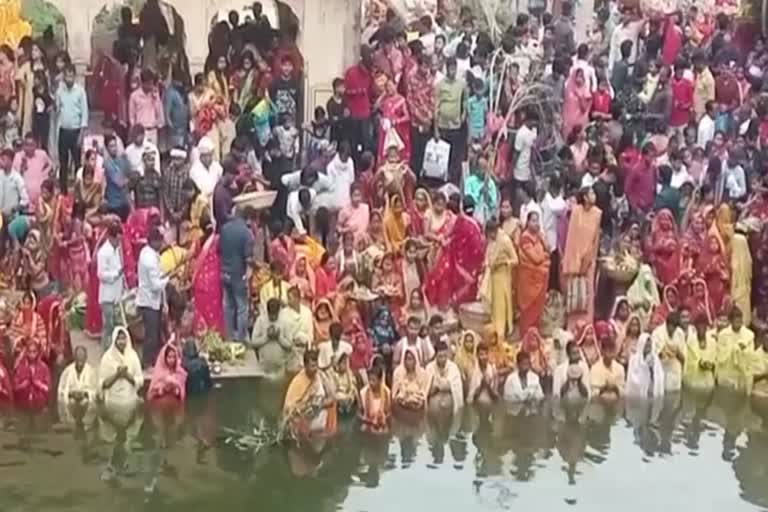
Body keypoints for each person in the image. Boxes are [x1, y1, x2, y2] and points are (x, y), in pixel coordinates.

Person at [562, 188, 601, 330]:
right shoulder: (576, 212)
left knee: (587, 294)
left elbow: (595, 240)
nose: (594, 196)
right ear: (584, 197)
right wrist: (574, 262)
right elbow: (571, 238)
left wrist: (589, 259)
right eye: (591, 193)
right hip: (574, 260)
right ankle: (572, 328)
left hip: (589, 261)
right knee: (574, 294)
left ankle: (587, 328)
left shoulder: (597, 214)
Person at [219, 206, 257, 342]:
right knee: (241, 307)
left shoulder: (224, 229)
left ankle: (229, 336)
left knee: (227, 304)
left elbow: (219, 250)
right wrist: (253, 268)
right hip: (238, 273)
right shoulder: (246, 233)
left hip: (224, 271)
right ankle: (240, 338)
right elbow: (248, 258)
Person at [283, 350, 337, 439]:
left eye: (316, 365)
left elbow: (332, 397)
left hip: (320, 418)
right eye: (312, 366)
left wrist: (320, 405)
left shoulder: (320, 376)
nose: (315, 369)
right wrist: (308, 405)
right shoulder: (298, 382)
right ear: (305, 366)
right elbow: (289, 409)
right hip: (303, 420)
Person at [136, 227, 169, 367]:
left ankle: (154, 360)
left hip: (150, 299)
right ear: (154, 242)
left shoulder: (147, 252)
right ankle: (146, 362)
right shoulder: (149, 259)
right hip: (149, 301)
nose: (162, 245)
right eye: (160, 242)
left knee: (154, 333)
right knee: (151, 335)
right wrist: (167, 279)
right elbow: (156, 285)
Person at [55, 65, 88, 193]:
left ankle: (79, 191)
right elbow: (57, 108)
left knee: (77, 163)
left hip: (76, 131)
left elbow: (84, 113)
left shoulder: (80, 91)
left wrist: (81, 134)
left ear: (74, 76)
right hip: (63, 130)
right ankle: (63, 192)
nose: (69, 79)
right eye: (66, 76)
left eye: (71, 76)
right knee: (63, 162)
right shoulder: (60, 91)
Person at [517, 211, 550, 333]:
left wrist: (542, 238)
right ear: (528, 222)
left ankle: (535, 335)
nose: (536, 224)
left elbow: (548, 249)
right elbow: (536, 258)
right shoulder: (525, 238)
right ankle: (526, 334)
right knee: (529, 308)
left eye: (537, 221)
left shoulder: (538, 236)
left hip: (540, 278)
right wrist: (544, 256)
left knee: (538, 308)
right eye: (533, 221)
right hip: (529, 279)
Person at [434, 57, 465, 184]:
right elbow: (436, 107)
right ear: (446, 68)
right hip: (443, 126)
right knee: (443, 157)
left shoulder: (461, 84)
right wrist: (435, 129)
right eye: (450, 68)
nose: (452, 71)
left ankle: (452, 182)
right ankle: (441, 181)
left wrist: (464, 112)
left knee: (455, 156)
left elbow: (465, 99)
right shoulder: (440, 85)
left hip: (456, 126)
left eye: (454, 68)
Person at [716, 307, 760, 392]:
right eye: (736, 321)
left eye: (740, 321)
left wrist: (741, 351)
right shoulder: (723, 335)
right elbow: (721, 356)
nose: (738, 324)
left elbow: (751, 356)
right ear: (731, 321)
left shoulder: (749, 335)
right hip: (727, 373)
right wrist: (735, 348)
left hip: (743, 375)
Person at [99, 326, 143, 408]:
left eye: (123, 339)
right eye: (118, 339)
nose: (121, 342)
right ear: (114, 340)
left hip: (130, 398)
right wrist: (117, 375)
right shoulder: (107, 357)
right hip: (112, 400)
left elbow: (140, 380)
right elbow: (103, 384)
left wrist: (127, 375)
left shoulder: (133, 355)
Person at [96, 221, 125, 349]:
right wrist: (115, 274)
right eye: (117, 239)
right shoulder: (103, 252)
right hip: (107, 296)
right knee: (108, 326)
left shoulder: (117, 249)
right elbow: (101, 274)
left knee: (117, 327)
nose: (119, 242)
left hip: (117, 294)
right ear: (110, 237)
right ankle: (105, 352)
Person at [251, 298, 294, 376]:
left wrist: (279, 338)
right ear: (267, 311)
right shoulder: (260, 320)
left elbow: (290, 345)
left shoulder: (285, 321)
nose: (273, 317)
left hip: (280, 368)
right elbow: (253, 343)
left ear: (278, 311)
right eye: (271, 315)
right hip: (263, 368)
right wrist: (267, 337)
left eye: (275, 315)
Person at [57, 346, 98, 420]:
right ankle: (72, 424)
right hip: (71, 400)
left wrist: (85, 394)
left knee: (84, 403)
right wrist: (71, 394)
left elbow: (96, 390)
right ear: (74, 357)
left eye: (82, 357)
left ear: (86, 358)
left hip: (86, 400)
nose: (80, 360)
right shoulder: (67, 371)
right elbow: (61, 391)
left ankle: (86, 425)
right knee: (72, 403)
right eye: (78, 357)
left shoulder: (91, 371)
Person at [651, 311, 686, 393]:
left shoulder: (680, 333)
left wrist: (677, 352)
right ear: (667, 324)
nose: (672, 329)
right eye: (671, 327)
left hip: (675, 373)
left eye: (675, 327)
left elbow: (684, 358)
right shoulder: (657, 333)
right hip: (661, 371)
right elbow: (654, 356)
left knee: (674, 401)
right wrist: (664, 352)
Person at [425, 341, 463, 413]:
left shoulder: (453, 367)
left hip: (450, 399)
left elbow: (457, 390)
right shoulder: (429, 367)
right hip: (434, 400)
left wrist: (447, 386)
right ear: (435, 355)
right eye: (440, 356)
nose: (443, 359)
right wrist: (436, 388)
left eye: (445, 356)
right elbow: (426, 390)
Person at [129, 69, 165, 145]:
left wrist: (155, 99)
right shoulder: (134, 96)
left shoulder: (155, 94)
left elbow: (159, 112)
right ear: (142, 83)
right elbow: (131, 116)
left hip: (152, 130)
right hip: (141, 131)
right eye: (148, 84)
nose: (150, 86)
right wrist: (135, 131)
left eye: (151, 83)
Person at [12, 341, 51, 411]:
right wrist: (23, 385)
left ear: (38, 352)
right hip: (23, 405)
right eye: (30, 352)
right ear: (26, 352)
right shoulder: (20, 367)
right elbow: (14, 388)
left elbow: (48, 388)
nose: (32, 354)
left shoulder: (44, 367)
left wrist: (39, 385)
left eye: (34, 351)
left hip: (39, 405)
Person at [625, 334, 665, 399]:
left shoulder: (655, 359)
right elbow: (632, 379)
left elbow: (659, 376)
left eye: (649, 345)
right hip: (638, 395)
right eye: (646, 345)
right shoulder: (634, 359)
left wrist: (651, 369)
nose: (648, 346)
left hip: (651, 391)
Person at [684, 313, 717, 391]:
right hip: (694, 384)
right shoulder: (690, 342)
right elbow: (687, 363)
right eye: (699, 326)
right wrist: (699, 364)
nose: (701, 328)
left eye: (703, 326)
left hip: (709, 383)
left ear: (706, 327)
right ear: (696, 327)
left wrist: (712, 365)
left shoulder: (713, 342)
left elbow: (717, 361)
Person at [392, 347, 428, 412]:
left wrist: (416, 398)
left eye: (410, 359)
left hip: (417, 408)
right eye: (406, 359)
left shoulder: (422, 373)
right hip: (402, 408)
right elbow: (395, 394)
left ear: (415, 360)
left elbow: (424, 391)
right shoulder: (398, 372)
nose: (408, 362)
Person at [359, 364, 391, 434]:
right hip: (367, 424)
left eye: (373, 380)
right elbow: (359, 413)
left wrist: (381, 418)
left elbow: (389, 412)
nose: (370, 382)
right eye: (369, 379)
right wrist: (369, 420)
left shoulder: (387, 392)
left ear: (380, 380)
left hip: (382, 424)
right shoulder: (363, 392)